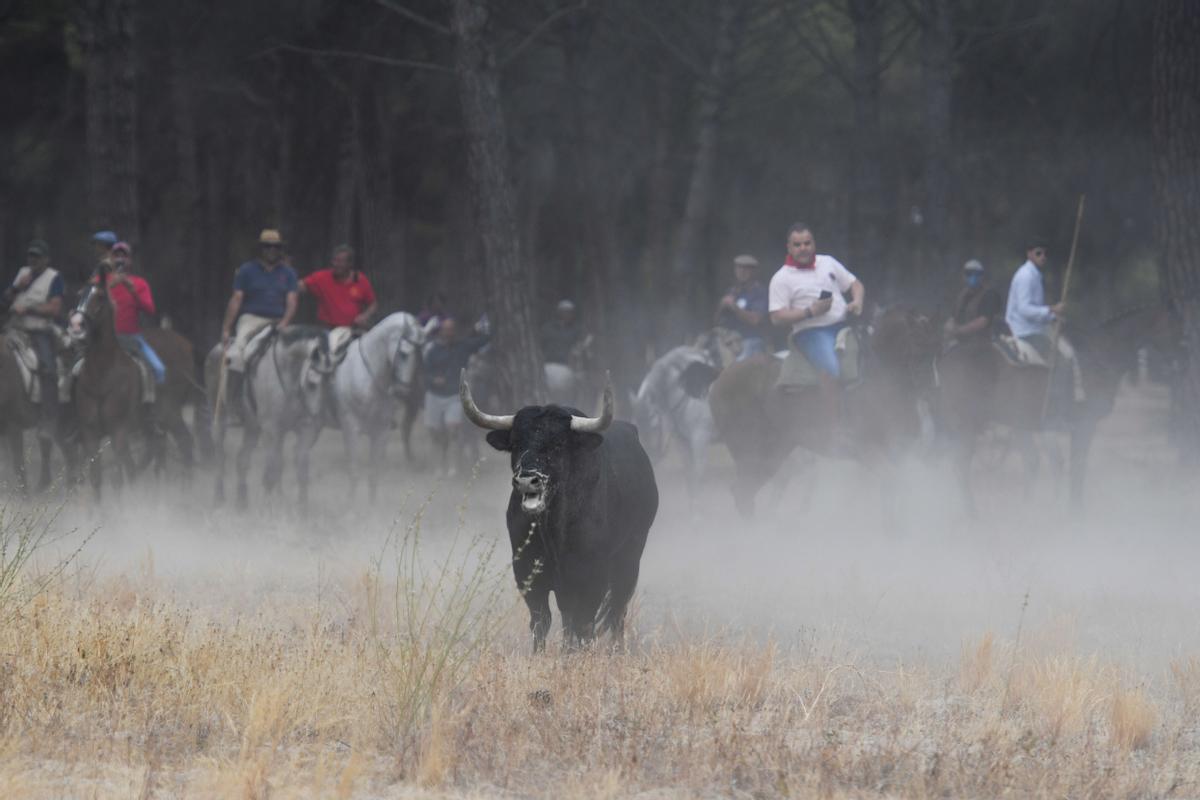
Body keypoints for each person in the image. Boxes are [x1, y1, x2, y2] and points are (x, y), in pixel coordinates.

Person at [767, 222, 865, 449]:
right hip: (810, 332)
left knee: (871, 358)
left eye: (807, 243)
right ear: (789, 248)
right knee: (831, 367)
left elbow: (855, 284)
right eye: (797, 244)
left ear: (814, 244)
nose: (803, 248)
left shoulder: (828, 262)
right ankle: (835, 428)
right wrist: (810, 312)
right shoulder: (782, 278)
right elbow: (776, 317)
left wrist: (857, 302)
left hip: (842, 325)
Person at [219, 229, 299, 402]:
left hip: (278, 321)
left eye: (276, 247)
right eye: (267, 246)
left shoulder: (288, 273)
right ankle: (234, 400)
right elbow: (237, 298)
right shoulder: (246, 270)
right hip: (251, 319)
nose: (272, 250)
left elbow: (292, 300)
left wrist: (285, 322)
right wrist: (226, 328)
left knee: (297, 353)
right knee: (237, 354)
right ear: (261, 249)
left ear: (280, 249)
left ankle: (298, 404)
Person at [1004, 238, 1082, 408]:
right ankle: (1056, 405)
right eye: (1039, 253)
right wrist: (1051, 310)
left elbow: (1035, 310)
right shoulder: (1025, 276)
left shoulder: (1034, 275)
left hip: (1034, 327)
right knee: (1064, 358)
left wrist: (1053, 317)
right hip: (1026, 331)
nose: (1043, 256)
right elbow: (1024, 309)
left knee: (1068, 349)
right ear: (1029, 253)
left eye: (1045, 253)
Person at [4, 239, 65, 436]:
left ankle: (48, 417)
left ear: (46, 259)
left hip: (40, 331)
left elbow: (55, 308)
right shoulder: (22, 274)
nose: (33, 259)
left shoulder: (54, 277)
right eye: (31, 255)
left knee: (47, 367)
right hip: (14, 328)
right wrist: (16, 288)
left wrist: (30, 308)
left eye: (37, 256)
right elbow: (5, 300)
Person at [422, 317, 490, 477]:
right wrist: (433, 379)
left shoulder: (463, 346)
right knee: (436, 433)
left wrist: (481, 329)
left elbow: (484, 340)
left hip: (454, 395)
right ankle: (439, 466)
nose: (449, 332)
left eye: (451, 329)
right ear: (441, 331)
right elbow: (424, 373)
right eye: (446, 329)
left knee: (453, 430)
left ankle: (453, 467)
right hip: (434, 395)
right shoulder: (432, 350)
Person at [300, 244, 377, 362]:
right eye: (334, 260)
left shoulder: (360, 280)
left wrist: (364, 316)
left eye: (340, 261)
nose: (336, 264)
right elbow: (300, 286)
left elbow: (373, 304)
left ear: (350, 264)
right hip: (329, 331)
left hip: (354, 330)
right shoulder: (322, 277)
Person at [104, 241, 165, 384]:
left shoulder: (139, 283)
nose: (120, 260)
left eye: (124, 256)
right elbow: (90, 298)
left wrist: (133, 291)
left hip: (131, 337)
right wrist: (110, 284)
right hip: (105, 337)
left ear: (129, 261)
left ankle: (152, 403)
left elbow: (150, 309)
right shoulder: (101, 281)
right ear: (111, 260)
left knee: (159, 368)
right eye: (116, 256)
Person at [716, 254, 769, 360]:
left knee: (738, 365)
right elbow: (717, 321)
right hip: (729, 340)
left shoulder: (760, 292)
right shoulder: (732, 291)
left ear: (754, 272)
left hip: (750, 340)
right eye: (739, 268)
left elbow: (755, 320)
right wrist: (721, 306)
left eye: (746, 269)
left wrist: (735, 307)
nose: (741, 272)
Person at [944, 259, 1003, 347]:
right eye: (969, 273)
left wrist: (960, 330)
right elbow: (952, 317)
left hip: (984, 344)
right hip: (960, 343)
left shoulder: (990, 295)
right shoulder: (962, 295)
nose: (973, 276)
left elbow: (983, 321)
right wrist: (948, 327)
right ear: (963, 276)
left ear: (982, 276)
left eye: (977, 274)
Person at [540, 300, 582, 366]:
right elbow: (541, 345)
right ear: (559, 312)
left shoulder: (576, 330)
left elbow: (579, 345)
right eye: (565, 312)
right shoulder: (548, 328)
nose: (568, 315)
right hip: (549, 364)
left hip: (568, 365)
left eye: (570, 312)